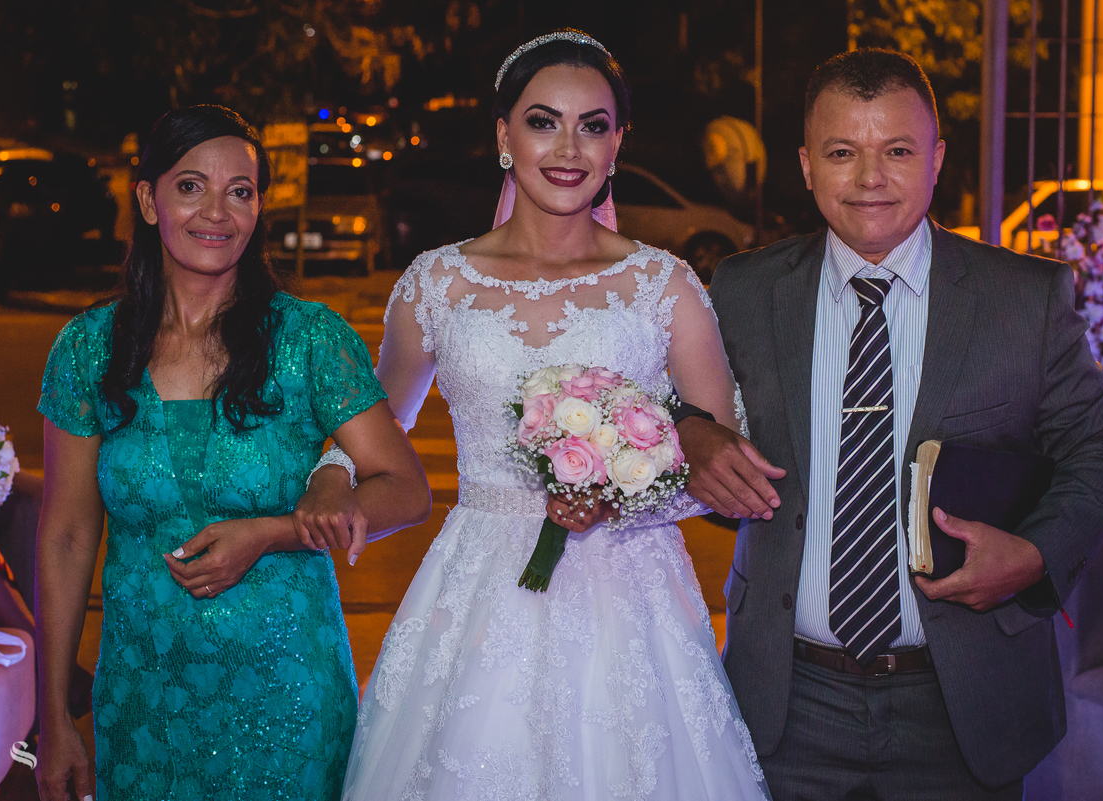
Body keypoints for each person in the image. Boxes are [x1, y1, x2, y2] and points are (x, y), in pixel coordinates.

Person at [300, 30, 771, 801]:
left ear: (618, 143)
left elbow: (724, 466)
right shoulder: (437, 283)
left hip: (632, 603)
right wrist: (330, 471)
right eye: (543, 120)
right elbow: (379, 417)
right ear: (502, 134)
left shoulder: (665, 284)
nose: (568, 147)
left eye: (593, 125)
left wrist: (620, 493)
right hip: (483, 590)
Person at [678, 48, 1103, 799]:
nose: (869, 178)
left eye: (897, 150)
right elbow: (677, 409)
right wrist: (692, 433)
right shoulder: (742, 289)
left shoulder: (1025, 299)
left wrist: (1033, 552)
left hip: (961, 703)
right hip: (788, 701)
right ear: (804, 164)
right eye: (841, 152)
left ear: (937, 159)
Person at [34, 105, 431, 801]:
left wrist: (273, 532)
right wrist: (54, 716)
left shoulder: (309, 339)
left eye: (240, 191)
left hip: (287, 695)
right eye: (191, 186)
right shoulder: (87, 349)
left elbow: (404, 488)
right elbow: (66, 536)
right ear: (147, 200)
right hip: (141, 697)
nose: (217, 211)